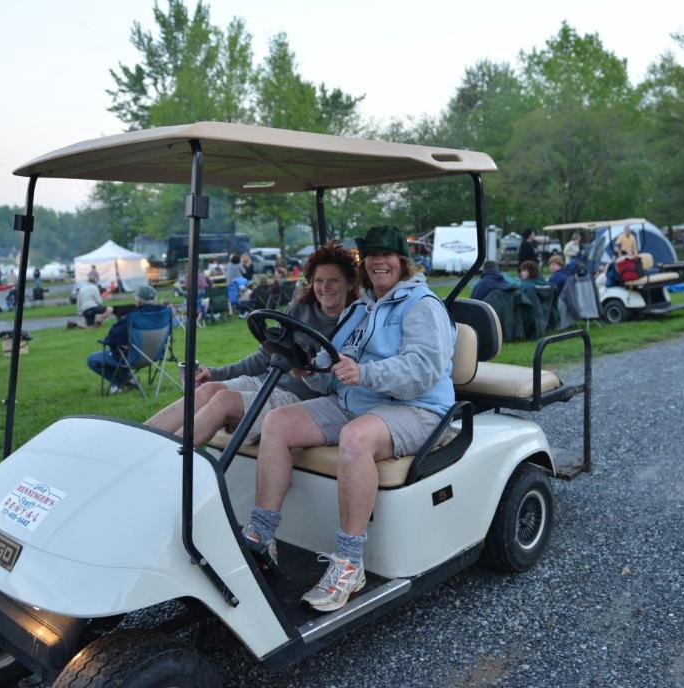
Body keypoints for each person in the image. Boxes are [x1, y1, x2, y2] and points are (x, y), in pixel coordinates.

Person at [245, 225, 455, 613]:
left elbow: (425, 369)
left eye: (387, 256)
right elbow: (335, 359)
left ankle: (349, 563)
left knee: (356, 438)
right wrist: (312, 369)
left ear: (402, 262)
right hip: (360, 402)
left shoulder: (422, 305)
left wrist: (366, 374)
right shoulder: (361, 309)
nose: (379, 263)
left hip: (419, 408)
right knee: (278, 423)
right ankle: (262, 534)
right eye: (371, 257)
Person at [146, 242, 358, 445]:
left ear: (349, 283)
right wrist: (216, 373)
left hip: (299, 399)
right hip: (265, 381)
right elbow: (266, 355)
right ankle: (136, 440)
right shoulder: (302, 308)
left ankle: (170, 461)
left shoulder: (358, 321)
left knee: (224, 401)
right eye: (319, 280)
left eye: (334, 280)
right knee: (207, 390)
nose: (324, 287)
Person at [85, 286, 171, 394]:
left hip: (134, 358)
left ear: (138, 301)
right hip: (156, 355)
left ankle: (122, 380)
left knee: (93, 359)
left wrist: (107, 342)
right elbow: (169, 336)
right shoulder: (165, 314)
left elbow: (112, 338)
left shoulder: (134, 317)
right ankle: (128, 378)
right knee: (124, 350)